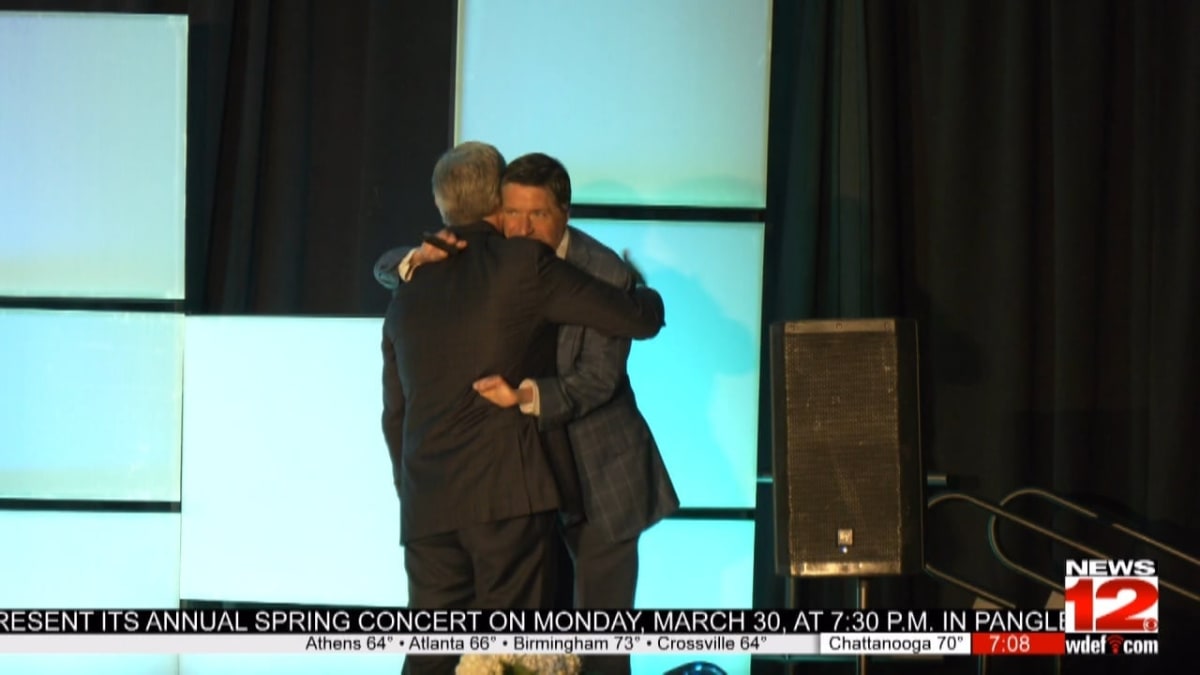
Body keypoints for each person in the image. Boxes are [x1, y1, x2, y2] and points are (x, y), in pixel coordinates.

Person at [378, 152, 679, 675]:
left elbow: (601, 375)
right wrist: (409, 260)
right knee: (510, 650)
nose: (522, 227)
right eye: (512, 213)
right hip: (510, 490)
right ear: (496, 208)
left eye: (536, 214)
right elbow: (391, 267)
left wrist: (526, 397)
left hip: (589, 474)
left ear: (564, 211)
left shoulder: (598, 269)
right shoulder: (450, 265)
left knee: (592, 649)